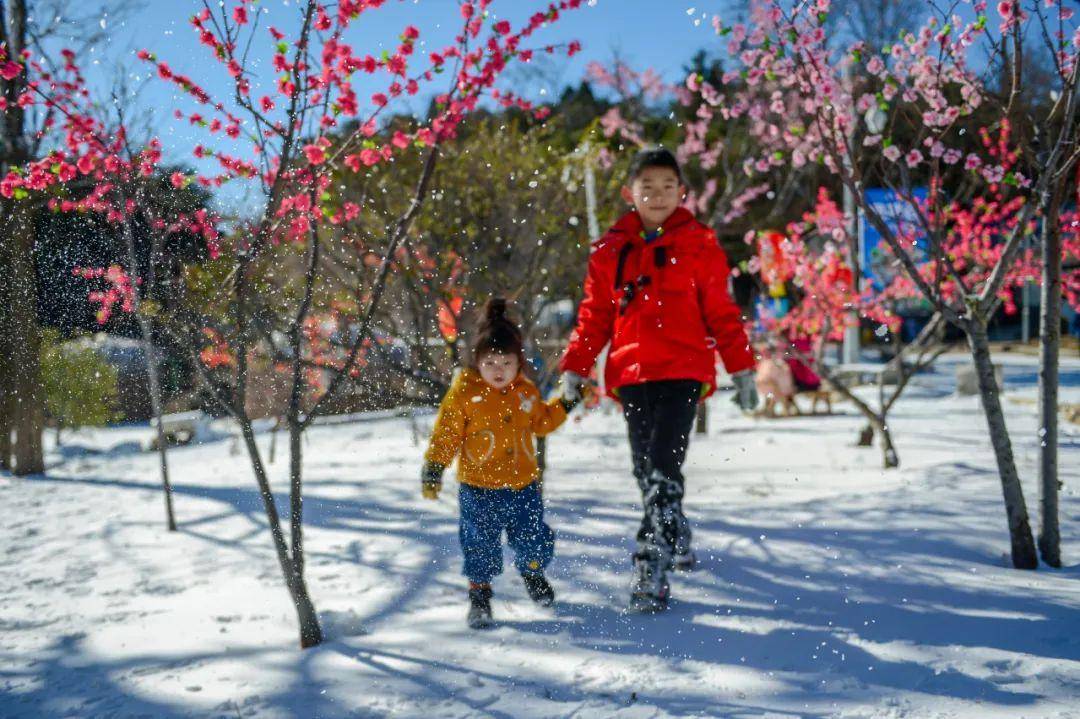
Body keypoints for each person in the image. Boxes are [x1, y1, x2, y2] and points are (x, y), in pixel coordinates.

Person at [559, 147, 758, 613]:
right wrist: (575, 365)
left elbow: (722, 314)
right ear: (631, 193)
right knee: (644, 469)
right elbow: (594, 317)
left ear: (682, 192)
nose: (659, 195)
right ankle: (676, 529)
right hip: (630, 375)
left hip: (684, 371)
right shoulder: (610, 251)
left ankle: (651, 560)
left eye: (669, 186)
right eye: (648, 186)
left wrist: (743, 369)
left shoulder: (701, 244)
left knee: (663, 469)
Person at [421, 298, 579, 628]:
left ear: (518, 362)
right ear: (476, 361)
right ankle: (480, 596)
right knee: (479, 544)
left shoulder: (526, 391)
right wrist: (434, 466)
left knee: (533, 538)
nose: (498, 370)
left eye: (506, 362)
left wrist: (566, 403)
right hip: (478, 489)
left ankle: (533, 573)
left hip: (523, 486)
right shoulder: (465, 391)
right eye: (490, 362)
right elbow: (447, 434)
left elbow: (542, 422)